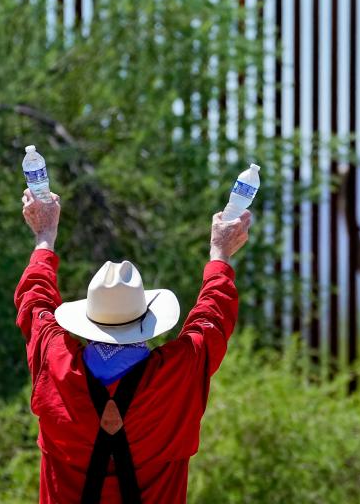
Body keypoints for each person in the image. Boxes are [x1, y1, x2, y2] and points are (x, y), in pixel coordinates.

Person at [15, 187, 252, 504]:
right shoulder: (178, 373)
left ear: (89, 321)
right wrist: (219, 254)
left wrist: (45, 236)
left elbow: (35, 303)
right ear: (146, 321)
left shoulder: (55, 361)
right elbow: (213, 317)